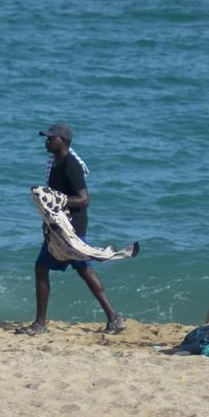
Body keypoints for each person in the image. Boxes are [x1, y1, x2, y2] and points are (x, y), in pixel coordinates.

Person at [16, 122, 125, 336]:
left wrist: (57, 200)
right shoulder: (56, 163)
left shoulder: (70, 164)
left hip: (71, 227)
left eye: (51, 137)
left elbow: (83, 199)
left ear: (63, 141)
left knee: (46, 267)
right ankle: (114, 319)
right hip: (60, 225)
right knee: (80, 269)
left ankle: (40, 324)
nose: (47, 140)